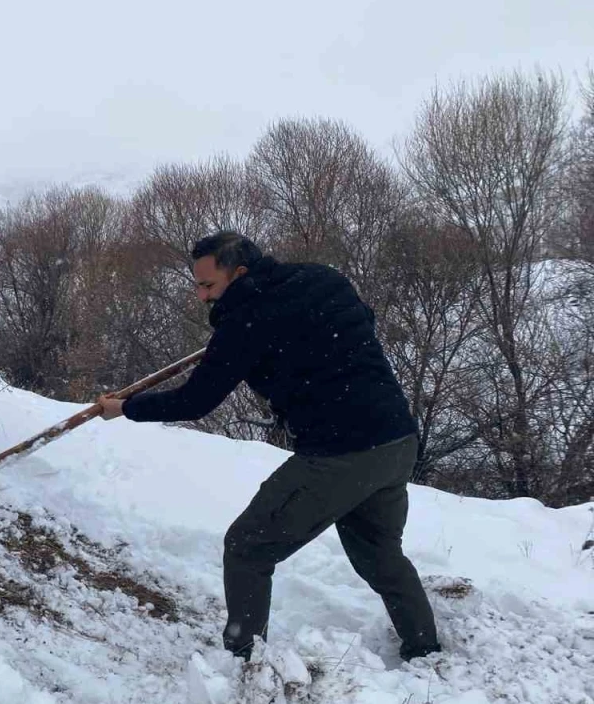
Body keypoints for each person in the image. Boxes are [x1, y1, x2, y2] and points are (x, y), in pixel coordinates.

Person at [97, 232, 441, 662]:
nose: (202, 297)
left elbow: (195, 402)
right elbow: (362, 319)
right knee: (380, 555)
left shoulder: (245, 321)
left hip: (340, 453)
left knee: (247, 547)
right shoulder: (322, 278)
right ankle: (424, 647)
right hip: (396, 439)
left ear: (239, 273)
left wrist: (125, 408)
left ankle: (245, 659)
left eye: (208, 286)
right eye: (198, 286)